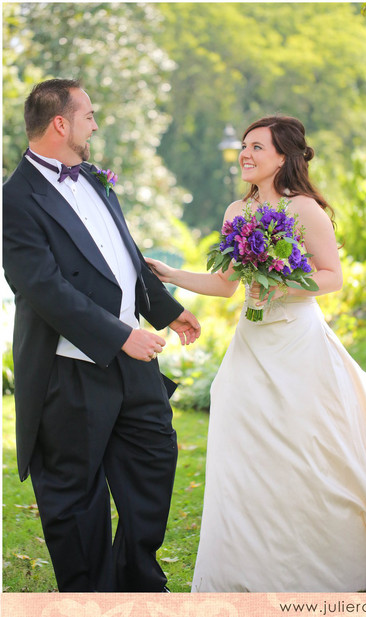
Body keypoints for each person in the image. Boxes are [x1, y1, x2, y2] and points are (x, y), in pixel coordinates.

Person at [146, 115, 366, 592]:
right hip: (251, 341)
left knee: (307, 444)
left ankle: (325, 555)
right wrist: (171, 275)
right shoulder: (233, 212)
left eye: (257, 147)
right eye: (244, 146)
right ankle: (248, 564)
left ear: (282, 157)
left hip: (298, 341)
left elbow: (331, 277)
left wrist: (278, 286)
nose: (246, 154)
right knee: (241, 433)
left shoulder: (304, 209)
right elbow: (225, 285)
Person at [2, 78, 202, 592]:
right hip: (67, 372)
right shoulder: (14, 200)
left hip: (132, 360)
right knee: (74, 497)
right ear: (60, 123)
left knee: (153, 464)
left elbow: (123, 254)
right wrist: (118, 336)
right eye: (88, 115)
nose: (96, 123)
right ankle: (88, 599)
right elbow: (40, 287)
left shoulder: (92, 176)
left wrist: (165, 310)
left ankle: (138, 586)